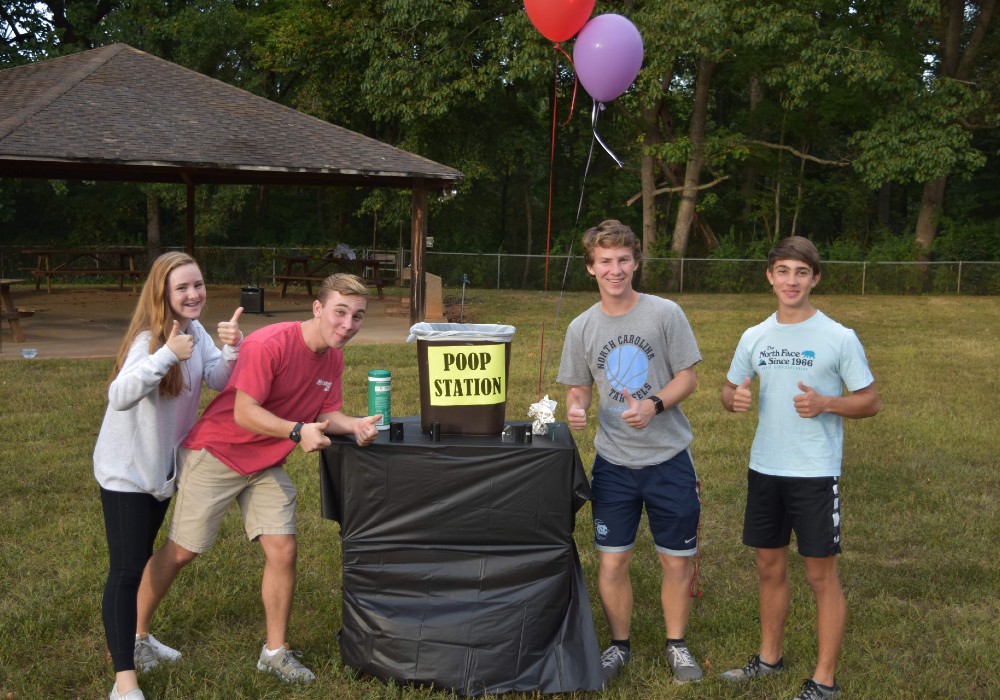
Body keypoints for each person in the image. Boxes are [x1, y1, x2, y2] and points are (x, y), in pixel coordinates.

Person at [134, 272, 382, 684]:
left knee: (283, 548)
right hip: (217, 452)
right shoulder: (272, 343)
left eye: (357, 316)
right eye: (340, 312)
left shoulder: (334, 357)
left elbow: (327, 413)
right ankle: (136, 636)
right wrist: (297, 431)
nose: (347, 324)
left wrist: (353, 425)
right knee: (182, 551)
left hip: (264, 462)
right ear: (318, 308)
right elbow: (243, 413)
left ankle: (274, 652)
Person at [720, 236, 881, 700]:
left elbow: (870, 401)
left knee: (819, 574)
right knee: (769, 566)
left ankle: (824, 679)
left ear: (815, 279)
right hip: (765, 467)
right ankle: (770, 658)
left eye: (801, 272)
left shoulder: (838, 337)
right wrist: (734, 399)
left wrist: (827, 402)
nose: (792, 281)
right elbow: (729, 390)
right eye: (784, 271)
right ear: (770, 276)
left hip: (814, 471)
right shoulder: (754, 336)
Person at [557, 219, 704, 685]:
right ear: (590, 268)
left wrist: (655, 403)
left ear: (636, 262)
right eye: (605, 262)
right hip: (614, 464)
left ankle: (677, 645)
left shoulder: (665, 313)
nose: (615, 269)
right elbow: (578, 388)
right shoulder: (582, 326)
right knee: (613, 559)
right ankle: (619, 645)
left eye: (623, 260)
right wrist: (576, 408)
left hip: (669, 459)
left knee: (675, 560)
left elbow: (688, 376)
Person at [94, 251, 244, 700]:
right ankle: (124, 684)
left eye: (198, 284)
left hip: (161, 474)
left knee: (138, 563)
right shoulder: (149, 339)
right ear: (163, 292)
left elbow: (216, 377)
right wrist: (164, 355)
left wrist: (232, 347)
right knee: (124, 571)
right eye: (183, 287)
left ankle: (138, 641)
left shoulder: (195, 331)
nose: (194, 293)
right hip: (127, 476)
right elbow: (118, 395)